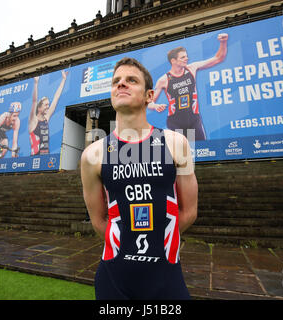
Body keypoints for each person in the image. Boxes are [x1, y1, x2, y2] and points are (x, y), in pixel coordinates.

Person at [80, 57, 198, 300]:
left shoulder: (176, 144)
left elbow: (189, 211)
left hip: (166, 277)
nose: (121, 84)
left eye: (131, 80)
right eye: (116, 82)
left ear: (150, 95)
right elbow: (98, 220)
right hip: (114, 280)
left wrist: (157, 241)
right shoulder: (93, 155)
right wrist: (128, 246)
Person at [148, 33, 228, 141]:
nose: (187, 58)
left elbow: (218, 58)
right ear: (173, 61)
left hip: (193, 121)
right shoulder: (163, 80)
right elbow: (149, 102)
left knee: (201, 152)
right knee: (181, 155)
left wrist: (223, 42)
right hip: (176, 123)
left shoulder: (192, 68)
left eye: (186, 56)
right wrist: (155, 106)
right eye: (183, 57)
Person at [29, 70, 68, 155]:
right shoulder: (33, 120)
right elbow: (34, 101)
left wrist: (63, 79)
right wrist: (36, 83)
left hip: (46, 155)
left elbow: (56, 98)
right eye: (46, 105)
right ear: (39, 108)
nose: (48, 107)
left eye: (48, 105)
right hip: (35, 156)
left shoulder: (46, 118)